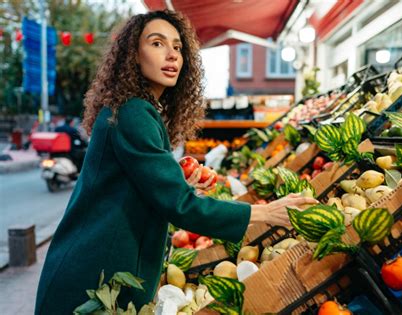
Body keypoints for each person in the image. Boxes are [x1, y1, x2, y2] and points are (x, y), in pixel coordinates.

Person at [34, 10, 317, 314]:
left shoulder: (137, 109)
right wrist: (267, 212)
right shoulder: (133, 113)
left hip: (101, 267)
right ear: (133, 55)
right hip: (95, 276)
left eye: (178, 47)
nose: (171, 54)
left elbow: (133, 184)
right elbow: (180, 207)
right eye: (157, 44)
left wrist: (175, 180)